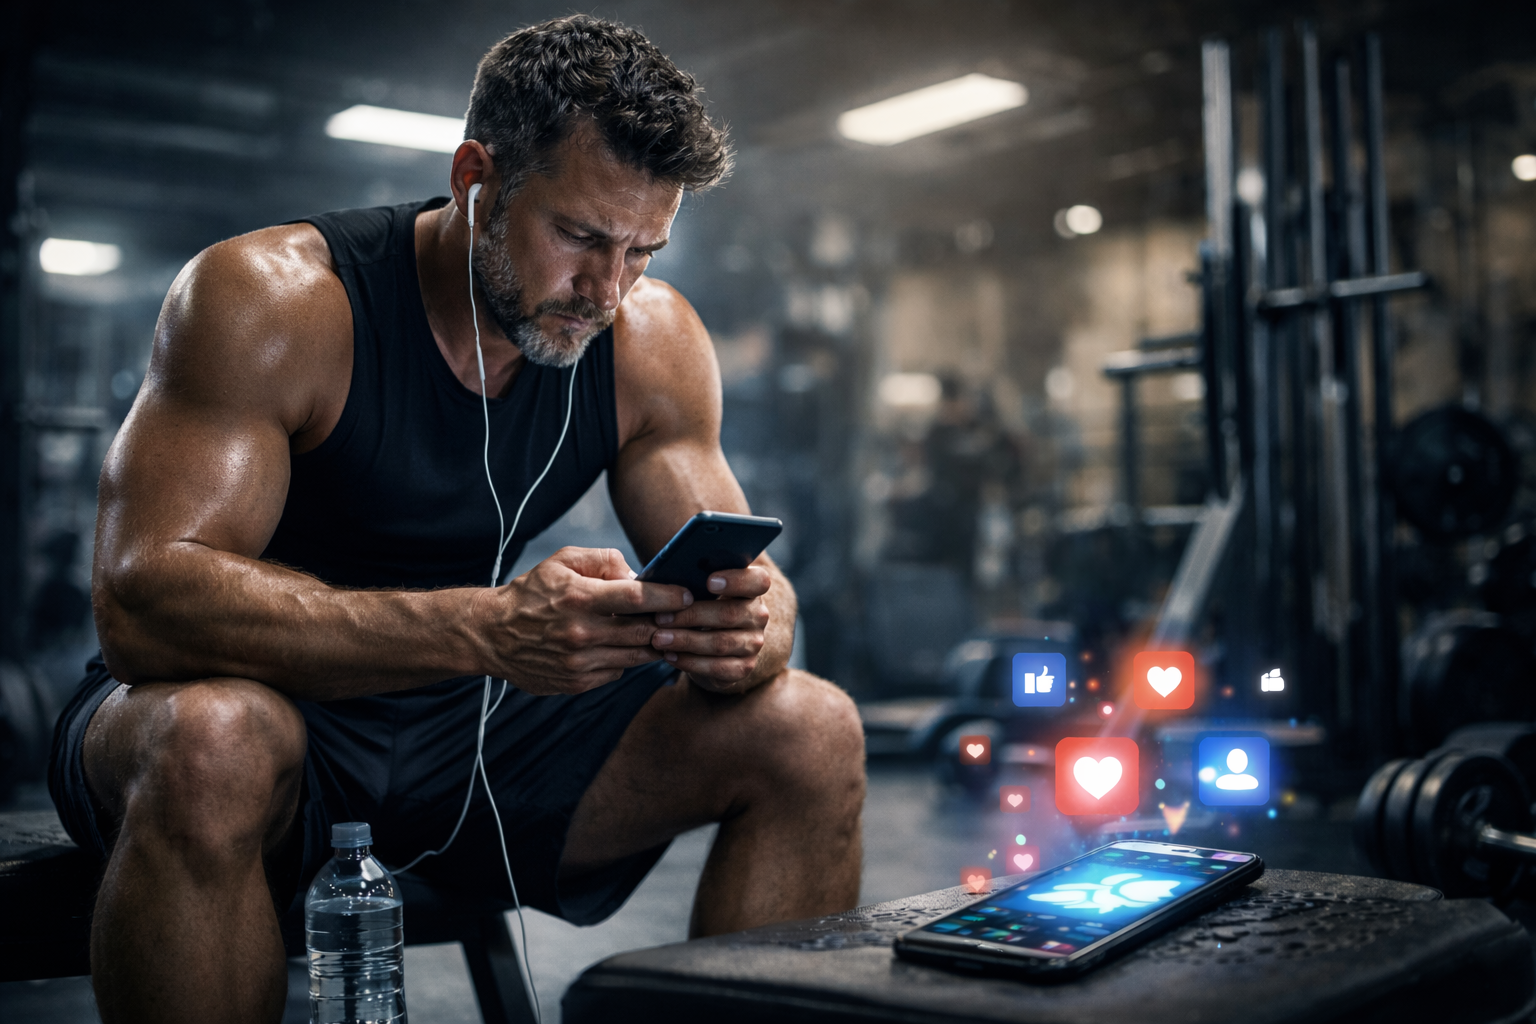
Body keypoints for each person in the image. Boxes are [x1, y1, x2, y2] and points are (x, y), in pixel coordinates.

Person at [47, 16, 866, 1023]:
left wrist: (745, 630)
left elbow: (760, 600)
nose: (606, 290)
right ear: (478, 175)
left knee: (810, 728)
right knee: (214, 736)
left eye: (642, 251)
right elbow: (145, 607)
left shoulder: (651, 341)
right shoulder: (277, 300)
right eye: (579, 237)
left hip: (463, 732)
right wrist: (484, 628)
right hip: (249, 707)